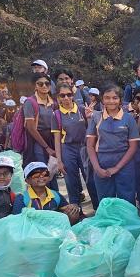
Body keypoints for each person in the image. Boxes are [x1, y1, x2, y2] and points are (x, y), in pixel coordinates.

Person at [86, 83, 139, 204]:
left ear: (120, 100)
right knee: (105, 200)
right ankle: (108, 223)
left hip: (124, 163)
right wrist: (97, 168)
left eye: (115, 98)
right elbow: (90, 145)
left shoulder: (128, 118)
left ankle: (127, 223)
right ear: (102, 99)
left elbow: (133, 147)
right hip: (101, 161)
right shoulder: (96, 117)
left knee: (127, 199)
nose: (111, 101)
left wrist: (117, 167)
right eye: (107, 98)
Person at [52, 83, 98, 215]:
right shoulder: (56, 114)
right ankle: (76, 212)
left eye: (69, 94)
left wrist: (89, 117)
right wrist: (59, 160)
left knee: (90, 178)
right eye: (62, 95)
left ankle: (98, 208)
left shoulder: (82, 109)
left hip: (84, 147)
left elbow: (91, 131)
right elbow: (57, 138)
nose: (66, 97)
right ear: (58, 97)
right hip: (67, 148)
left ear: (73, 95)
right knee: (71, 181)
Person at [12, 161, 80, 225]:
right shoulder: (21, 199)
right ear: (27, 180)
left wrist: (74, 206)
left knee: (73, 213)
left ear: (49, 177)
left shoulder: (55, 195)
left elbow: (69, 210)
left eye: (45, 173)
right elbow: (17, 223)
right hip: (32, 232)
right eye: (35, 175)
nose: (41, 176)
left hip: (54, 229)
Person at [23, 72, 58, 191]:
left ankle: (55, 197)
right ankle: (43, 200)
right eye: (40, 83)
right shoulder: (30, 102)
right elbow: (31, 128)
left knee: (52, 168)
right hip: (37, 140)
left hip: (52, 137)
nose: (44, 86)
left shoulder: (54, 102)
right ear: (35, 86)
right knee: (41, 169)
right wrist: (47, 147)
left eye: (47, 83)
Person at [123, 88, 140, 218]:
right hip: (125, 156)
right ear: (133, 98)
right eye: (139, 98)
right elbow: (135, 134)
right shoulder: (123, 112)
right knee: (128, 191)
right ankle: (130, 218)